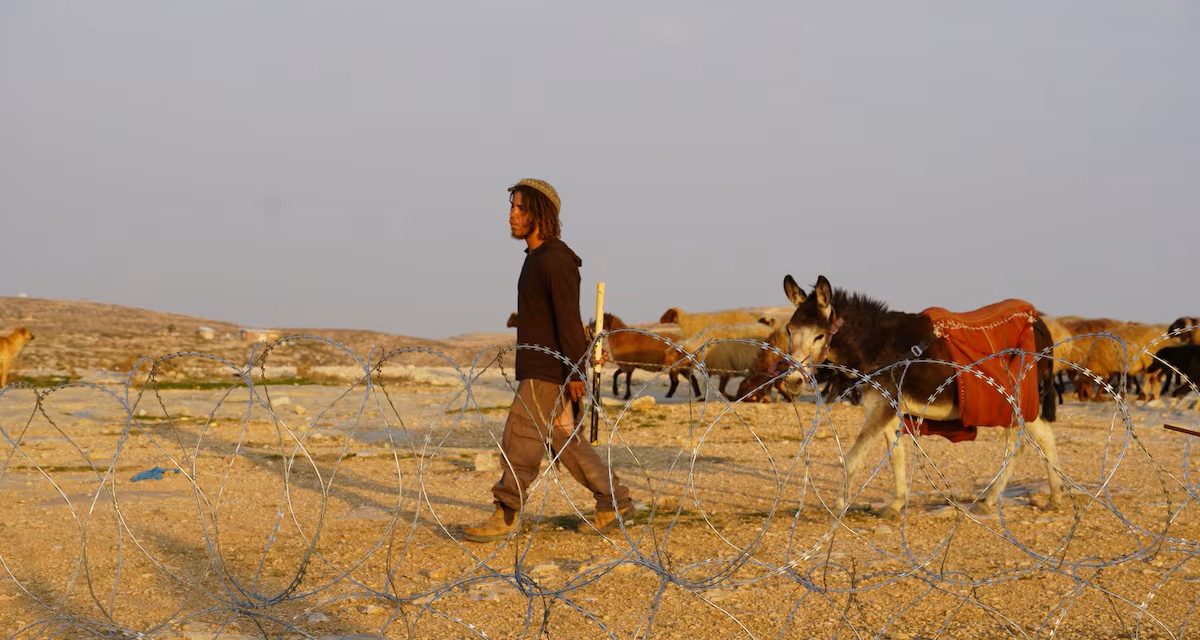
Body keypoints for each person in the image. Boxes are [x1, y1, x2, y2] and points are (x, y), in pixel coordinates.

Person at [463, 178, 634, 542]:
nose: (511, 215)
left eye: (520, 208)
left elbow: (568, 319)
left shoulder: (554, 260)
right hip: (546, 367)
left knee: (520, 437)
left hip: (548, 371)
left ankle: (506, 513)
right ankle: (613, 503)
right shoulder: (536, 260)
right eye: (512, 207)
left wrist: (575, 372)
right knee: (566, 442)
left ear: (541, 213)